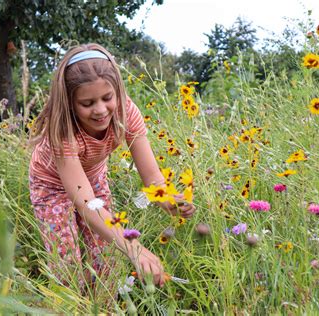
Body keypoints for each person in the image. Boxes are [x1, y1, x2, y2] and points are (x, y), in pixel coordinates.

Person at [29, 43, 196, 292]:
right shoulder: (64, 130)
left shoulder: (127, 113)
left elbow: (152, 176)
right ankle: (70, 304)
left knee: (106, 253)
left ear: (117, 91)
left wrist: (168, 200)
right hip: (51, 185)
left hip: (93, 178)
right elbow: (84, 201)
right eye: (87, 103)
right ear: (70, 102)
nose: (100, 110)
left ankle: (105, 306)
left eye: (107, 98)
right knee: (65, 257)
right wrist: (134, 248)